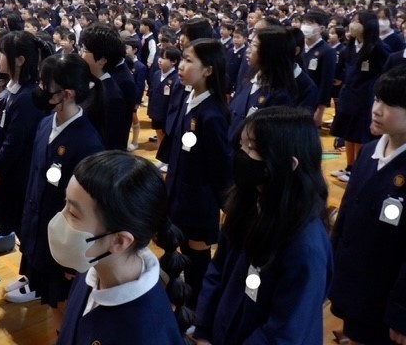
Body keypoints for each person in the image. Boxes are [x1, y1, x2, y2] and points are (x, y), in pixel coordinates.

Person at [193, 106, 333, 344]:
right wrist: (203, 330)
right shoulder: (247, 203)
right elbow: (217, 270)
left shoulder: (305, 245)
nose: (241, 155)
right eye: (242, 145)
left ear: (290, 164)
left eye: (252, 148)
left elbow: (285, 330)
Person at [53, 151, 187, 345]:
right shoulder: (93, 268)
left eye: (73, 213)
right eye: (65, 203)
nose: (59, 218)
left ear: (119, 241)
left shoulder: (147, 335)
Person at [16, 53, 105, 326]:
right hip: (39, 228)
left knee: (62, 305)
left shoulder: (88, 143)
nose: (40, 89)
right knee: (49, 299)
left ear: (66, 94)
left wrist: (72, 259)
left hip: (64, 239)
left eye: (46, 85)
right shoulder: (46, 123)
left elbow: (87, 209)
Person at [329, 65, 406, 345]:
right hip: (354, 281)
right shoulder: (370, 150)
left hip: (387, 294)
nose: (376, 110)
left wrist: (401, 312)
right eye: (376, 100)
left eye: (390, 105)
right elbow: (346, 213)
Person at [166, 39, 232, 310]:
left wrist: (227, 205)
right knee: (182, 253)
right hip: (179, 194)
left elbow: (220, 167)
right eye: (182, 59)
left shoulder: (212, 114)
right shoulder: (189, 99)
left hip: (199, 202)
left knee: (197, 260)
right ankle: (183, 300)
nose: (181, 66)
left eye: (189, 61)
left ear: (208, 70)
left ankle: (195, 311)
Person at [0, 31, 50, 237]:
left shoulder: (27, 96)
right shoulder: (15, 90)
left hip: (20, 175)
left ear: (20, 60)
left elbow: (14, 141)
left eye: (2, 53)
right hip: (13, 171)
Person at [330, 11, 389, 183]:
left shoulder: (378, 47)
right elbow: (345, 67)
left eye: (358, 21)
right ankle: (349, 166)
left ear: (368, 25)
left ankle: (358, 169)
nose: (354, 24)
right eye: (354, 20)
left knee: (360, 135)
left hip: (365, 98)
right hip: (349, 94)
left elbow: (386, 70)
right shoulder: (350, 45)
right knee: (348, 134)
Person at [228, 27, 296, 142]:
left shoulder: (280, 97)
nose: (248, 50)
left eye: (254, 45)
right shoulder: (249, 81)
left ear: (270, 53)